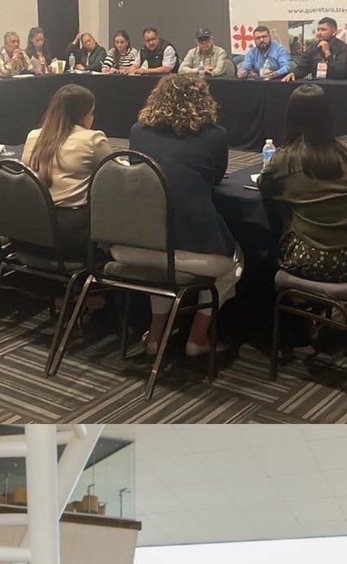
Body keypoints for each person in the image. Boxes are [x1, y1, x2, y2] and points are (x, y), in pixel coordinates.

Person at [128, 74, 242, 358]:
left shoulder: (137, 131)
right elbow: (215, 177)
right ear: (203, 101)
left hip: (132, 245)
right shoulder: (216, 136)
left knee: (160, 267)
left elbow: (137, 172)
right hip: (191, 249)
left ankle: (156, 335)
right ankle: (197, 337)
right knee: (234, 263)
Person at [260, 84, 347, 282]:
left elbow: (265, 185)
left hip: (321, 261)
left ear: (290, 117)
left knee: (261, 249)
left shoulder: (286, 158)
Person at [20, 83, 112, 257]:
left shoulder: (32, 136)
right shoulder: (92, 139)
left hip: (30, 229)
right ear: (83, 114)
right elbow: (116, 176)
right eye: (91, 113)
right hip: (70, 235)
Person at [285, 17, 347, 82]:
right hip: (316, 87)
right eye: (318, 30)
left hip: (338, 87)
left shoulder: (343, 48)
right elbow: (303, 65)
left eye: (323, 30)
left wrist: (327, 53)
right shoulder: (313, 47)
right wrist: (294, 73)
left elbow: (340, 73)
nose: (319, 33)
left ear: (334, 32)